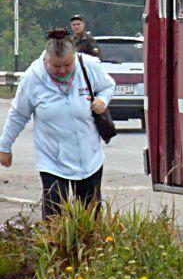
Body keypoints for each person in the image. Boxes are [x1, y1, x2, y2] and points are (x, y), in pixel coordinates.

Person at [0, 28, 115, 218]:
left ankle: (90, 247)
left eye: (67, 65)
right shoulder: (33, 78)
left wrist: (102, 101)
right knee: (54, 215)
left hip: (89, 157)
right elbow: (18, 115)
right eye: (56, 66)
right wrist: (5, 146)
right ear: (47, 59)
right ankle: (56, 247)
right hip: (52, 159)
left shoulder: (88, 66)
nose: (62, 71)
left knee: (90, 216)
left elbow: (109, 86)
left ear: (74, 57)